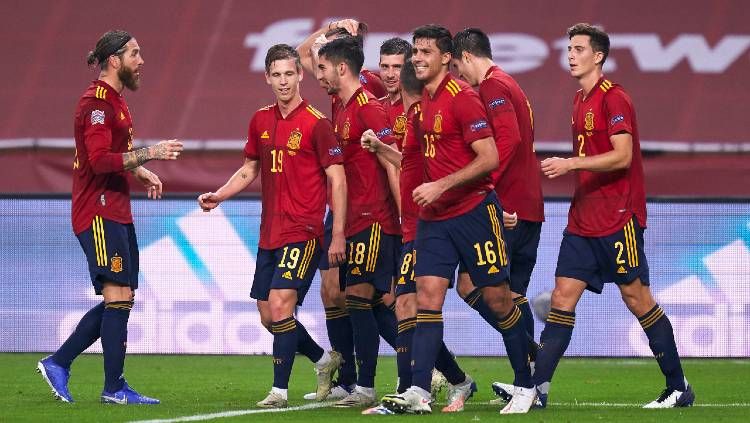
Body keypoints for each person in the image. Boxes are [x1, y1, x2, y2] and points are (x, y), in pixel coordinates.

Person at [496, 23, 694, 409]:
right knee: (561, 298)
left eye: (579, 48)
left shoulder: (613, 98)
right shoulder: (578, 99)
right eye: (569, 48)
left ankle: (677, 386)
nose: (570, 54)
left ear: (598, 55)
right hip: (583, 219)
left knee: (637, 298)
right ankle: (538, 390)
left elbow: (622, 155)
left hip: (618, 216)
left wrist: (571, 164)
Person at [381, 24, 534, 415]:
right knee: (426, 299)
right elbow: (412, 161)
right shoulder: (420, 106)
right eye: (415, 51)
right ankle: (418, 390)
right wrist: (412, 216)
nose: (417, 58)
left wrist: (442, 185)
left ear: (446, 58)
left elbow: (490, 157)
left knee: (499, 300)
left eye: (425, 52)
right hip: (433, 221)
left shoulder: (463, 98)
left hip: (473, 214)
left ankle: (526, 382)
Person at [36, 30, 183, 405]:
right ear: (114, 60)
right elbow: (99, 160)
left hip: (116, 208)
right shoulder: (96, 103)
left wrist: (139, 171)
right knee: (117, 295)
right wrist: (153, 153)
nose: (142, 60)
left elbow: (119, 153)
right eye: (135, 53)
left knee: (122, 296)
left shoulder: (116, 101)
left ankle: (62, 363)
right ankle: (111, 387)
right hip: (97, 210)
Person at [197, 44, 346, 408]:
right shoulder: (260, 120)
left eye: (289, 74)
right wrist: (220, 195)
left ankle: (279, 390)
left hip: (305, 231)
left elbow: (338, 179)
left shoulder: (317, 123)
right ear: (267, 78)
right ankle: (324, 361)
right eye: (276, 75)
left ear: (300, 76)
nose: (283, 81)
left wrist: (337, 231)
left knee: (282, 306)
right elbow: (250, 168)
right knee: (268, 315)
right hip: (270, 233)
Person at [361, 61, 477, 415]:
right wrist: (382, 148)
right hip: (414, 224)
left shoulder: (425, 115)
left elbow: (440, 168)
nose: (390, 76)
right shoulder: (413, 118)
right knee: (409, 306)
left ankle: (410, 389)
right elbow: (410, 165)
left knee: (414, 305)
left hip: (432, 223)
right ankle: (454, 381)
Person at [450, 27, 545, 394]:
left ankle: (531, 353)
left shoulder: (492, 86)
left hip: (507, 206)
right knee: (512, 295)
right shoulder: (510, 84)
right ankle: (532, 381)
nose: (459, 76)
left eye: (458, 67)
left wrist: (486, 185)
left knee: (472, 284)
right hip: (527, 204)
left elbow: (509, 140)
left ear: (468, 57)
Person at [315, 36, 402, 408]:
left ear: (341, 68)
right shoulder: (345, 106)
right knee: (375, 304)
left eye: (322, 68)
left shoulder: (369, 109)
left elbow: (393, 163)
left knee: (358, 298)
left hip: (375, 219)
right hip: (354, 219)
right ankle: (432, 368)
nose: (317, 75)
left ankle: (364, 386)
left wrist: (405, 222)